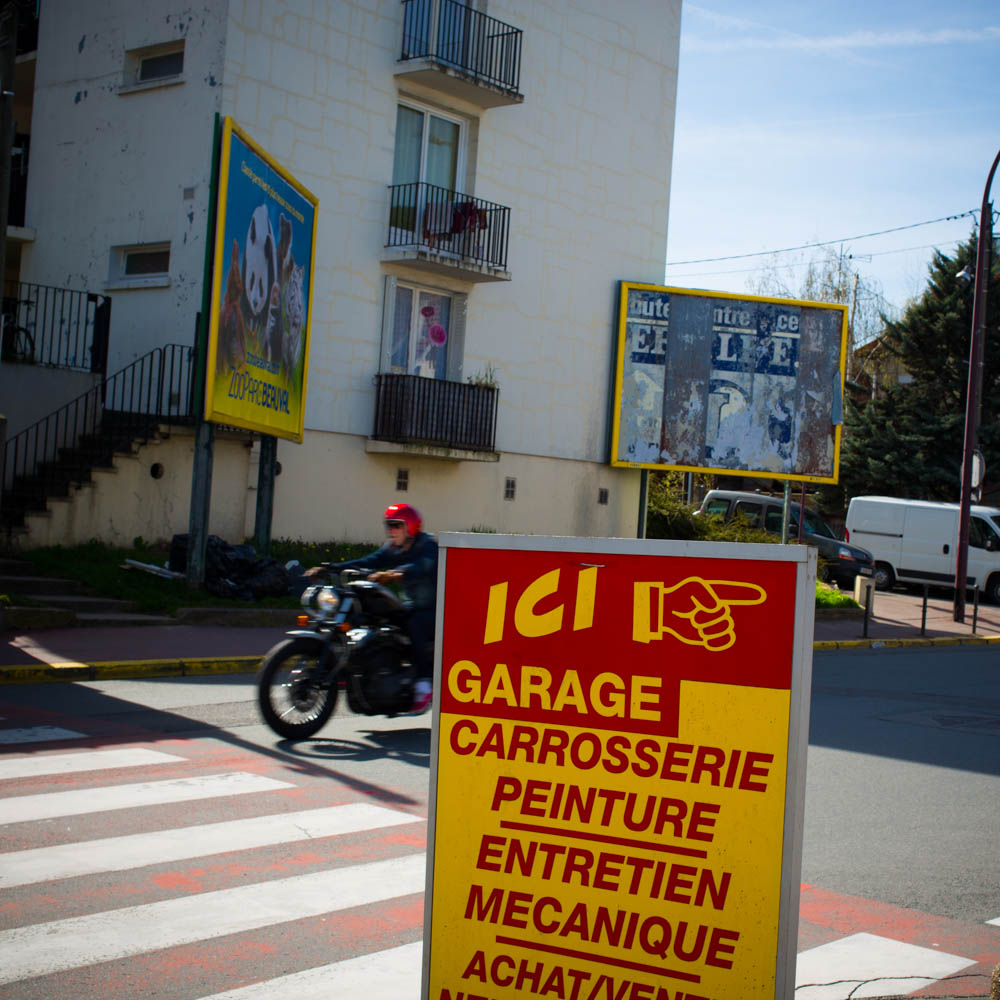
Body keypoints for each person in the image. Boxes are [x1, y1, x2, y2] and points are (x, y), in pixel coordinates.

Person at [307, 503, 437, 714]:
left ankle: (424, 684)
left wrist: (393, 574)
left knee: (415, 623)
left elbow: (423, 566)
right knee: (375, 619)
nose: (391, 530)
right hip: (411, 605)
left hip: (435, 609)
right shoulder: (393, 548)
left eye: (396, 525)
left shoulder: (427, 545)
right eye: (389, 525)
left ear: (411, 527)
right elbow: (369, 561)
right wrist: (331, 568)